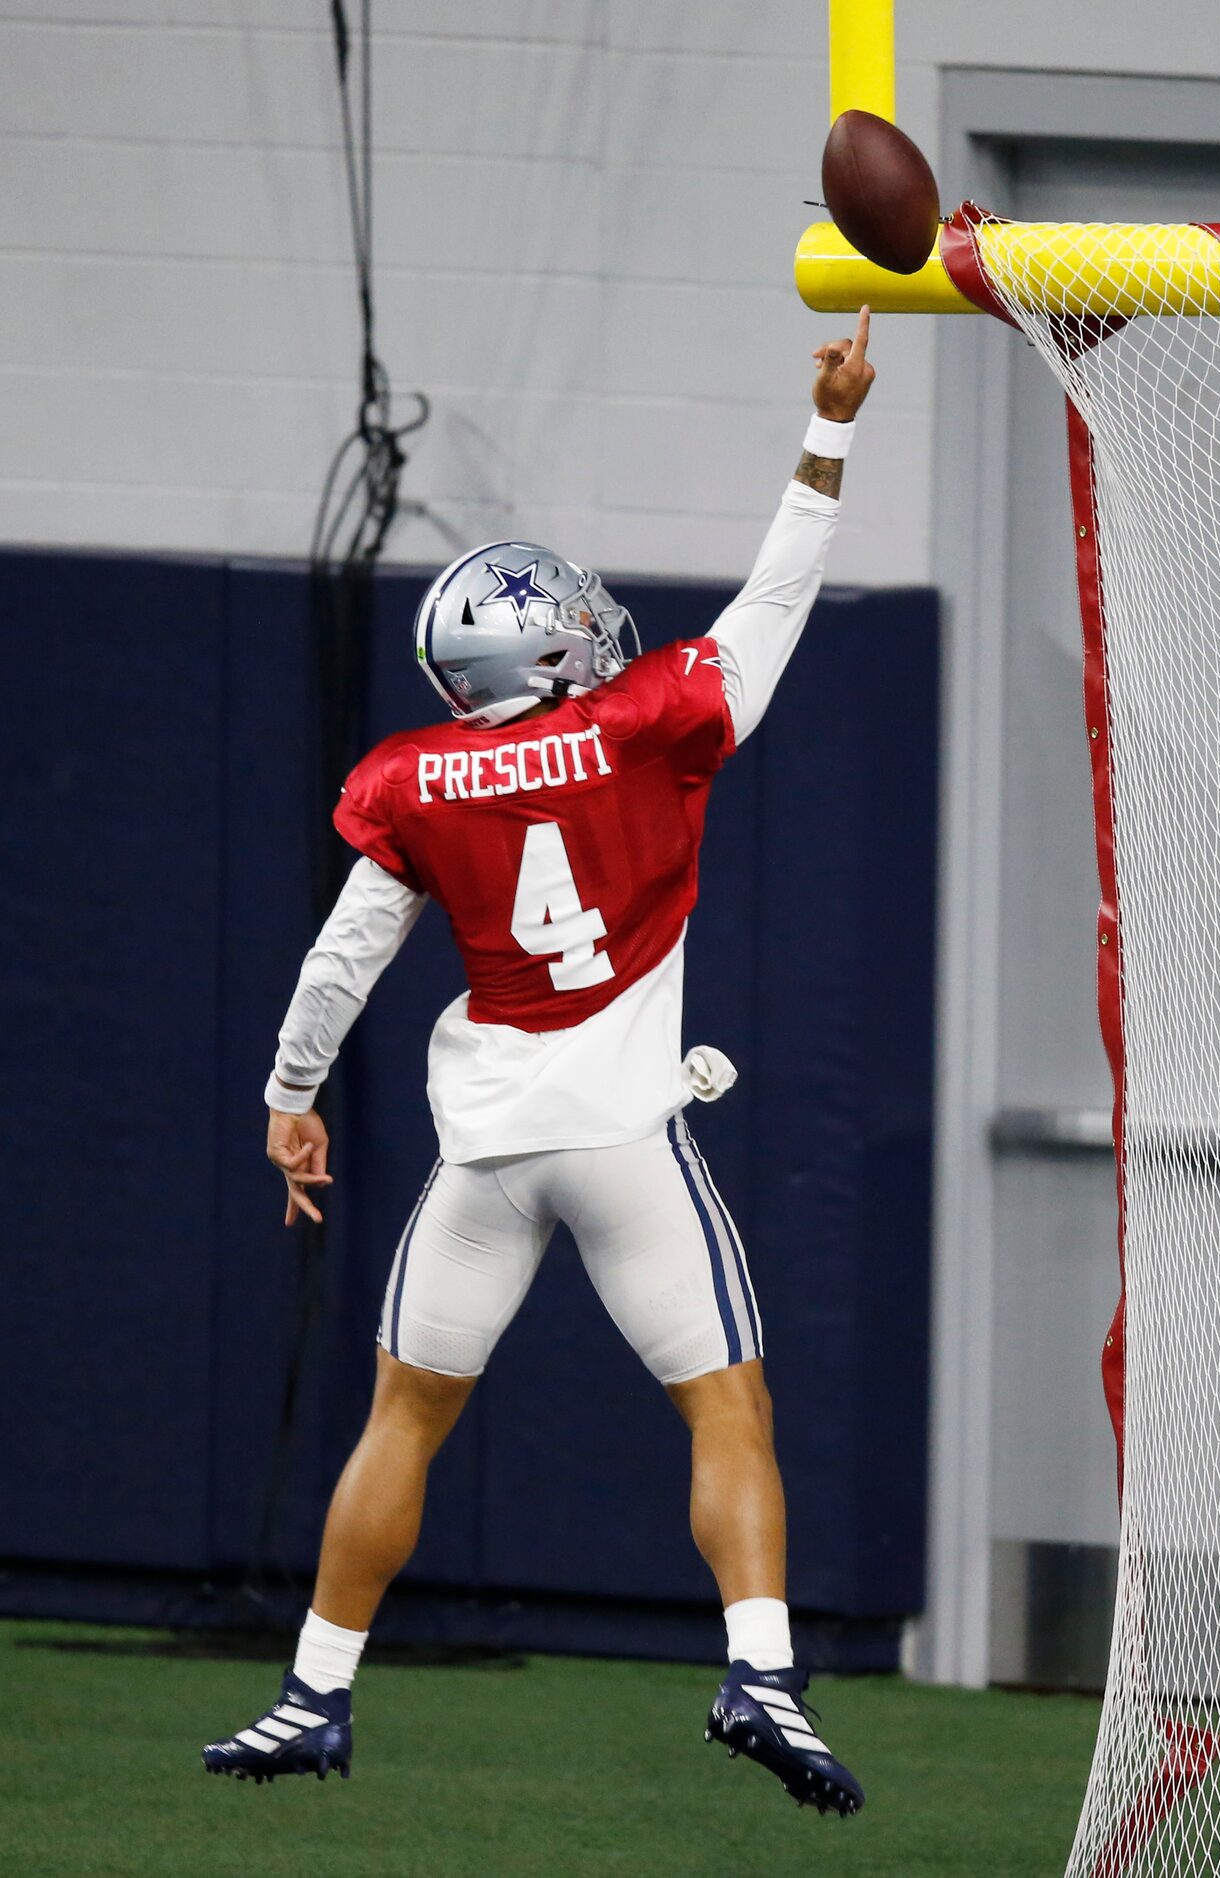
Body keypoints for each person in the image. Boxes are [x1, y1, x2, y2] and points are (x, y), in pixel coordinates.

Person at [201, 311, 876, 1818]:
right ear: (553, 643)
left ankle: (313, 1694)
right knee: (728, 1411)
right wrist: (826, 435)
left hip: (489, 1150)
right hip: (627, 1137)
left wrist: (290, 1098)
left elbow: (342, 960)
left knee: (403, 1415)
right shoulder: (643, 727)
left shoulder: (413, 779)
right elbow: (773, 603)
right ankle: (758, 1669)